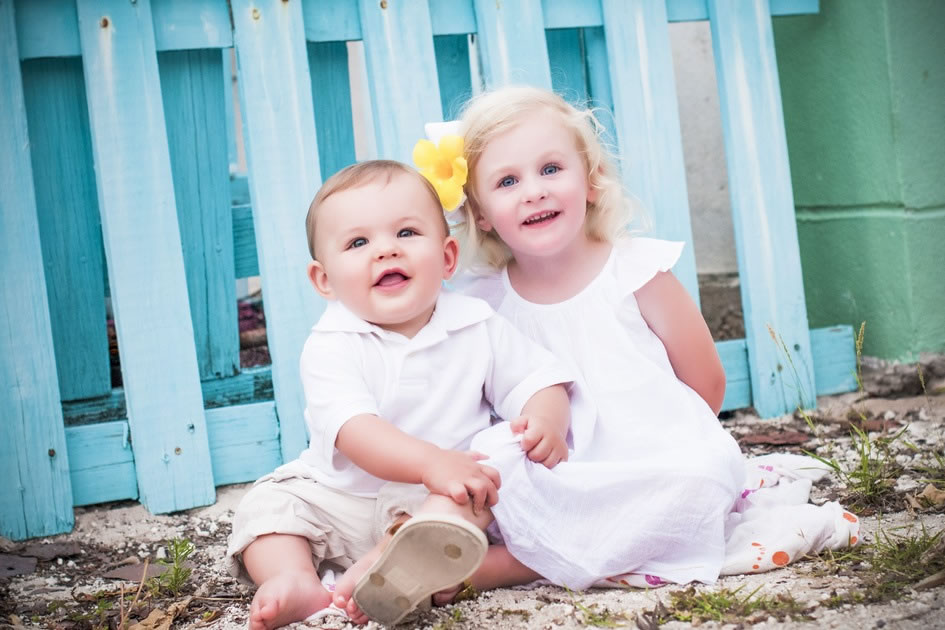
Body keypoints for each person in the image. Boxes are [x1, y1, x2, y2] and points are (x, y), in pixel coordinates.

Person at [224, 160, 574, 629]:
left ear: (447, 257)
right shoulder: (331, 344)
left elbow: (537, 379)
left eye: (407, 233)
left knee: (480, 493)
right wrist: (431, 462)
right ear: (324, 279)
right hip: (341, 499)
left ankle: (402, 565)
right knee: (269, 509)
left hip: (437, 503)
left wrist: (546, 418)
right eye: (358, 243)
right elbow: (356, 432)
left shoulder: (476, 323)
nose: (386, 251)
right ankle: (294, 579)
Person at [439, 85, 749, 592]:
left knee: (704, 476)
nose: (534, 190)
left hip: (649, 466)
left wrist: (668, 439)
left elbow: (706, 382)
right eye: (508, 180)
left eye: (551, 169)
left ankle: (516, 564)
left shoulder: (635, 271)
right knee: (488, 460)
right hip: (556, 473)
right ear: (479, 212)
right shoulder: (486, 303)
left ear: (591, 180)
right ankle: (444, 546)